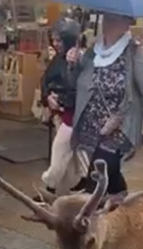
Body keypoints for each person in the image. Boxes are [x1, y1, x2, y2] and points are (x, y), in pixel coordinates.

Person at [67, 12, 143, 196]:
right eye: (107, 18)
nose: (108, 23)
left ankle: (86, 218)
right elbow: (78, 83)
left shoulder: (136, 53)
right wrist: (73, 64)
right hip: (93, 126)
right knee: (110, 174)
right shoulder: (93, 51)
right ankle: (121, 200)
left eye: (115, 19)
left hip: (120, 126)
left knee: (98, 173)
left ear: (126, 23)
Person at [38, 17, 88, 198]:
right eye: (54, 39)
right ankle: (84, 182)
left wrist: (60, 99)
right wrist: (48, 96)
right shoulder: (58, 59)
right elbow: (45, 80)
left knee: (61, 149)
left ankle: (49, 187)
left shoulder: (81, 61)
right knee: (74, 152)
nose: (55, 43)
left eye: (59, 40)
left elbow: (81, 90)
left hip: (74, 116)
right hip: (63, 113)